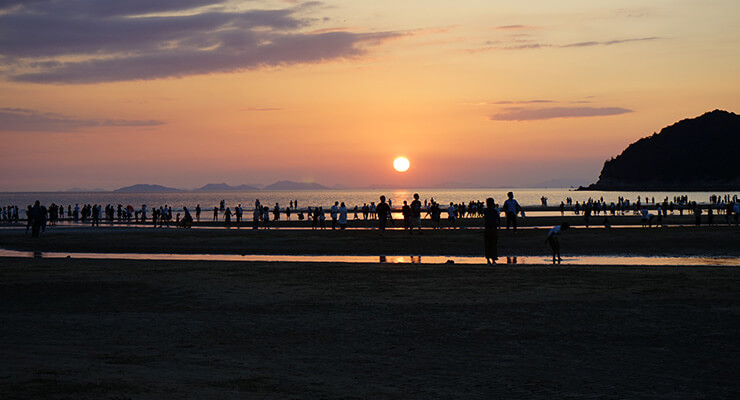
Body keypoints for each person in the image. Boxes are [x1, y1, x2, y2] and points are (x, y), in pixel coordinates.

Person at [483, 198, 500, 264]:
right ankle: (493, 258)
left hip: (487, 228)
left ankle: (488, 259)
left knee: (487, 244)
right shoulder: (494, 211)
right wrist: (498, 225)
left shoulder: (485, 211)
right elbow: (498, 219)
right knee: (493, 244)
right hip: (493, 228)